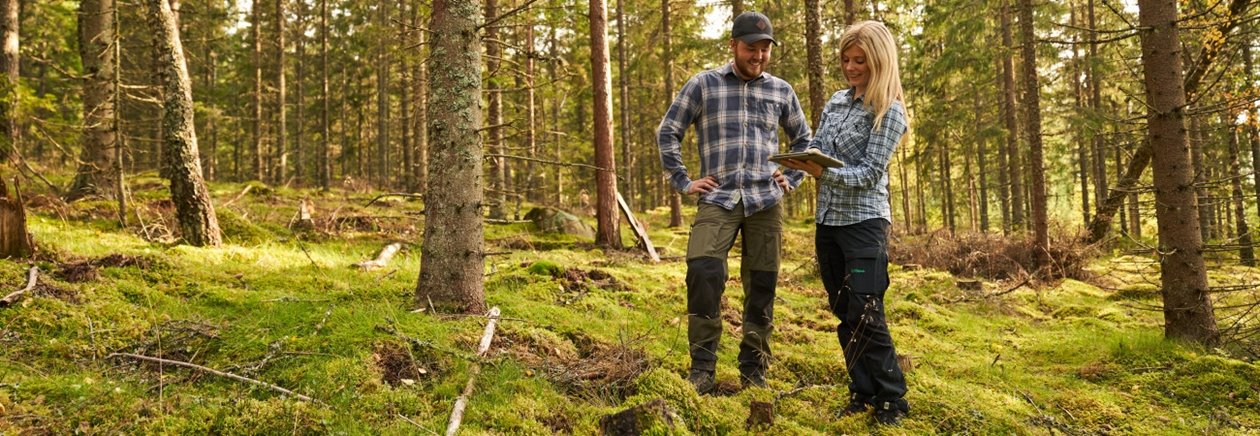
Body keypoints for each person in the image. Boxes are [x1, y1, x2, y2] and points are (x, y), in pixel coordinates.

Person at [657, 11, 812, 394]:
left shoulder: (781, 90)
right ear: (733, 46)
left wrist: (790, 177)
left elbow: (804, 142)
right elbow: (668, 132)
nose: (757, 56)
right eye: (750, 48)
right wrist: (684, 181)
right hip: (719, 197)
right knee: (704, 271)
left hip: (765, 200)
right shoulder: (703, 85)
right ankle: (703, 367)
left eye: (764, 49)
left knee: (763, 283)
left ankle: (753, 368)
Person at [779, 20, 910, 425]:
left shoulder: (889, 111)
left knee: (867, 310)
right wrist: (796, 171)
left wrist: (822, 174)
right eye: (846, 59)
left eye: (860, 60)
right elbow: (820, 151)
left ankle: (893, 400)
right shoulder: (836, 102)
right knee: (844, 311)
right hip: (828, 222)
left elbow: (870, 173)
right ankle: (861, 392)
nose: (851, 67)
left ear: (879, 61)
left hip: (864, 223)